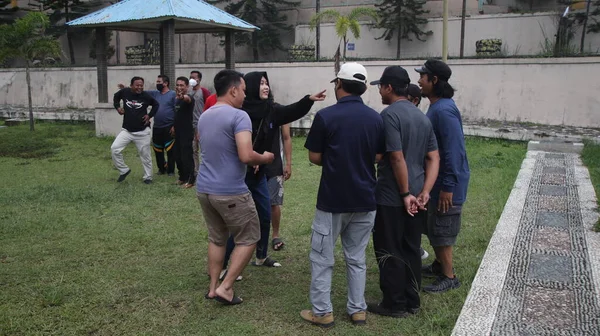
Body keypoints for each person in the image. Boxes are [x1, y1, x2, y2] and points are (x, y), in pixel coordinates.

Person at [300, 63, 384, 328]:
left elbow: (314, 156)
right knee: (357, 258)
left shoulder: (326, 117)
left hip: (332, 200)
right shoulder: (376, 118)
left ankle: (323, 312)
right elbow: (379, 156)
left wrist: (338, 159)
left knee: (322, 258)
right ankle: (357, 310)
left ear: (339, 84)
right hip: (366, 199)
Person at [220, 71, 326, 276]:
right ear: (249, 86)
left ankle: (260, 256)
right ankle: (223, 265)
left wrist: (308, 101)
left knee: (265, 214)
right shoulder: (239, 111)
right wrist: (253, 158)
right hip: (240, 173)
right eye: (260, 83)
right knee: (240, 222)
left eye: (266, 83)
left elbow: (290, 111)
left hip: (260, 173)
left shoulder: (271, 109)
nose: (265, 87)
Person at [196, 69, 274, 305]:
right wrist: (266, 158)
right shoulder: (240, 116)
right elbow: (245, 155)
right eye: (243, 90)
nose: (244, 94)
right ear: (233, 90)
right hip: (229, 190)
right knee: (250, 236)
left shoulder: (205, 115)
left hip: (205, 189)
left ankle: (212, 288)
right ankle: (226, 287)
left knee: (217, 238)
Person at [367, 66, 440, 318]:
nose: (379, 91)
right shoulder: (422, 117)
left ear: (389, 87)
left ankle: (394, 303)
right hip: (418, 197)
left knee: (388, 248)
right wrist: (425, 191)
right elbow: (433, 157)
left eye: (381, 86)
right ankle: (412, 299)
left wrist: (404, 192)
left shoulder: (389, 115)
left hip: (393, 197)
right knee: (411, 247)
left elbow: (396, 157)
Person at [415, 59, 471, 293]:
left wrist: (448, 185)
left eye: (423, 77)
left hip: (446, 185)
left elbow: (453, 150)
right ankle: (439, 266)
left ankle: (449, 276)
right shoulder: (436, 106)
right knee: (435, 226)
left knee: (442, 230)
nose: (419, 81)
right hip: (436, 183)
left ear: (434, 80)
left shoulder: (444, 109)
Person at [111, 76, 159, 184]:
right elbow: (116, 97)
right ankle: (124, 170)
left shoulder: (146, 96)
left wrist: (149, 116)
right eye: (137, 85)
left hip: (142, 132)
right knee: (115, 149)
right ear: (131, 85)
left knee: (145, 155)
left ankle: (148, 177)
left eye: (141, 85)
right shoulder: (125, 92)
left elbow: (156, 104)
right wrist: (118, 107)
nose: (139, 87)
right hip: (127, 131)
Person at [264, 123, 292, 251]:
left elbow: (286, 137)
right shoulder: (248, 109)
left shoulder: (279, 111)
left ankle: (275, 235)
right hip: (252, 162)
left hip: (275, 165)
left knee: (274, 202)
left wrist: (288, 164)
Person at [148, 75, 177, 176]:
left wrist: (174, 125)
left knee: (170, 150)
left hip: (169, 126)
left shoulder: (173, 94)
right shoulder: (155, 94)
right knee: (157, 149)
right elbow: (140, 93)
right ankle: (161, 168)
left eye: (159, 82)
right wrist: (126, 88)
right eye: (157, 82)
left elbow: (176, 110)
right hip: (157, 127)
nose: (157, 84)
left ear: (166, 83)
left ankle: (171, 170)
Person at [173, 77, 196, 188]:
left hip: (186, 132)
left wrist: (182, 96)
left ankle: (191, 180)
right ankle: (182, 177)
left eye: (182, 85)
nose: (179, 87)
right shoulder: (176, 99)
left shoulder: (189, 98)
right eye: (178, 85)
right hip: (177, 131)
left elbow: (187, 99)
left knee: (187, 156)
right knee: (178, 156)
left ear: (187, 86)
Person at [189, 71, 206, 177]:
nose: (192, 79)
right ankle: (196, 172)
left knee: (204, 150)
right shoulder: (189, 93)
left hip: (202, 125)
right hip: (192, 125)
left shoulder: (203, 92)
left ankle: (206, 171)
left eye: (194, 77)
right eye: (190, 77)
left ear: (199, 79)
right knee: (193, 149)